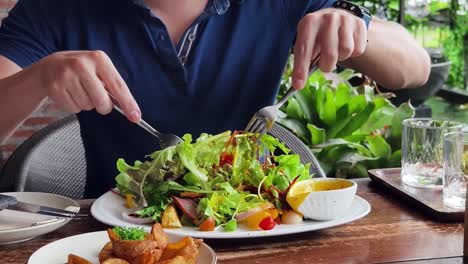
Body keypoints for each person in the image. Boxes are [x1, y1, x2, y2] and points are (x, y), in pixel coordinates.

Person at [0, 0, 430, 197]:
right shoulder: (53, 7)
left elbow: (416, 69)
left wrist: (356, 26)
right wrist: (39, 78)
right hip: (116, 233)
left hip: (258, 225)